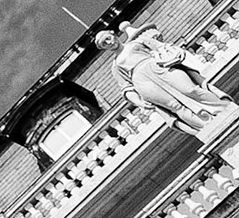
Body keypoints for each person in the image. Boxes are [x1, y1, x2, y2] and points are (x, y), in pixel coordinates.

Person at [99, 22, 238, 137]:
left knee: (190, 89)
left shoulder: (138, 42)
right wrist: (139, 102)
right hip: (142, 82)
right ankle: (205, 125)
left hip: (158, 67)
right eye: (104, 44)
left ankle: (223, 109)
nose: (108, 42)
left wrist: (173, 56)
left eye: (107, 38)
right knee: (175, 106)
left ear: (113, 34)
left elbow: (162, 47)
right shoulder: (115, 66)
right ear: (104, 49)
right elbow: (126, 88)